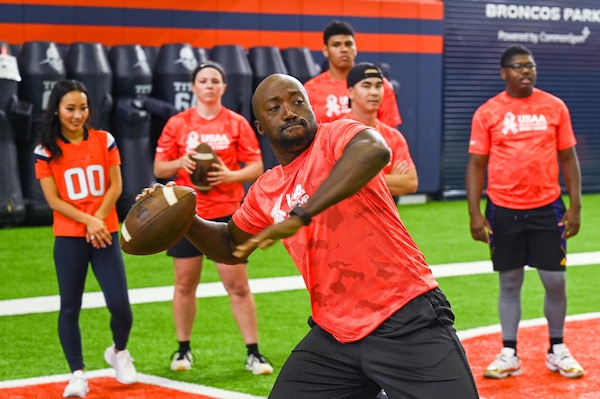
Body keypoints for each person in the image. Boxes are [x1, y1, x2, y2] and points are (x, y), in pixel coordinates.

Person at [140, 73, 479, 398]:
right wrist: (184, 219)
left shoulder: (336, 136)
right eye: (274, 108)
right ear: (260, 126)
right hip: (334, 332)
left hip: (405, 315)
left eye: (297, 101)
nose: (289, 112)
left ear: (311, 108)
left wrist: (302, 213)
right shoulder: (266, 189)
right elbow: (231, 246)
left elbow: (374, 150)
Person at [466, 45, 584, 380]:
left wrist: (576, 205)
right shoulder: (487, 112)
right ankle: (509, 353)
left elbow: (568, 159)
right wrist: (475, 213)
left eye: (530, 66)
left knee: (555, 281)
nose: (525, 71)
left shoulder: (554, 106)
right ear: (504, 73)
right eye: (518, 67)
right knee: (510, 281)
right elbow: (476, 165)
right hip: (503, 210)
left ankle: (557, 349)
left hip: (548, 208)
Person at [153, 61, 272, 374]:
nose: (209, 85)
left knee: (238, 286)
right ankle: (182, 351)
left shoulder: (236, 123)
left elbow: (256, 167)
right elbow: (160, 168)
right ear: (193, 87)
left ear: (223, 87)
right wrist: (183, 159)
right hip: (186, 217)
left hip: (227, 214)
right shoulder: (178, 123)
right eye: (203, 80)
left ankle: (254, 353)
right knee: (184, 284)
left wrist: (229, 176)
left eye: (214, 81)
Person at [34, 79, 137, 398]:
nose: (78, 115)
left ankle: (119, 351)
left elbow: (116, 186)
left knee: (120, 305)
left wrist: (98, 220)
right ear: (56, 110)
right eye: (70, 108)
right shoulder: (46, 149)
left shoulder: (104, 140)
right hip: (69, 237)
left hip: (103, 234)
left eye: (83, 108)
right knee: (69, 307)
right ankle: (77, 372)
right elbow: (54, 201)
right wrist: (89, 221)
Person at [304, 20, 402, 127]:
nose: (344, 49)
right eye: (336, 45)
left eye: (348, 44)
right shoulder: (310, 90)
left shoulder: (378, 84)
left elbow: (390, 131)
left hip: (370, 143)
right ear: (326, 51)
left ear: (355, 48)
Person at [345, 62, 418, 198]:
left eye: (378, 86)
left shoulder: (394, 136)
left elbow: (411, 182)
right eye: (366, 86)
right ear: (351, 92)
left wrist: (356, 178)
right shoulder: (336, 132)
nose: (374, 92)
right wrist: (391, 180)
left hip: (383, 216)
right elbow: (331, 181)